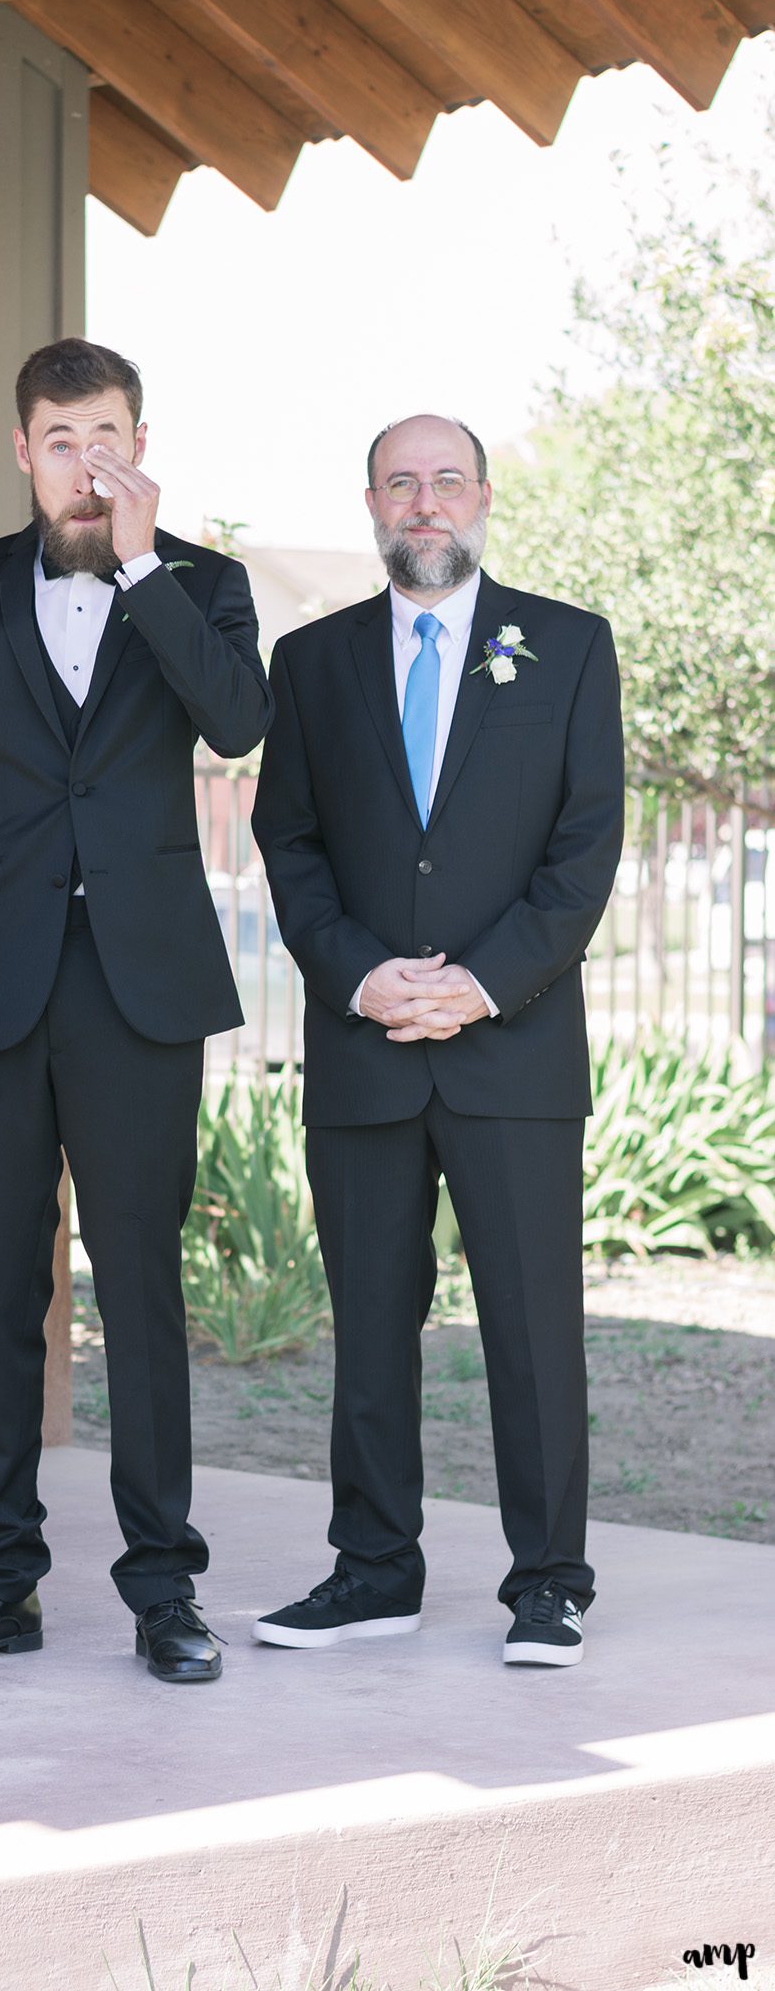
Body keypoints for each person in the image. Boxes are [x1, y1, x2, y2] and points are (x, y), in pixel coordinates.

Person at [0, 337, 272, 1683]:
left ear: (139, 441)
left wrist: (146, 561)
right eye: (60, 439)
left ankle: (164, 1591)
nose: (84, 461)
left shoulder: (202, 586)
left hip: (139, 997)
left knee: (143, 1295)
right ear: (21, 451)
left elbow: (235, 722)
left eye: (107, 436)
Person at [250, 413, 624, 1668]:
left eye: (446, 481)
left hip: (510, 1049)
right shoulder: (309, 663)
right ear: (370, 503)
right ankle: (374, 1572)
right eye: (401, 483)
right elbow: (289, 843)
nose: (425, 503)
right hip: (364, 1049)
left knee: (531, 1325)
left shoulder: (567, 648)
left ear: (483, 499)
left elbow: (584, 854)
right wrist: (362, 979)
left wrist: (479, 985)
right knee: (369, 1322)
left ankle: (550, 1584)